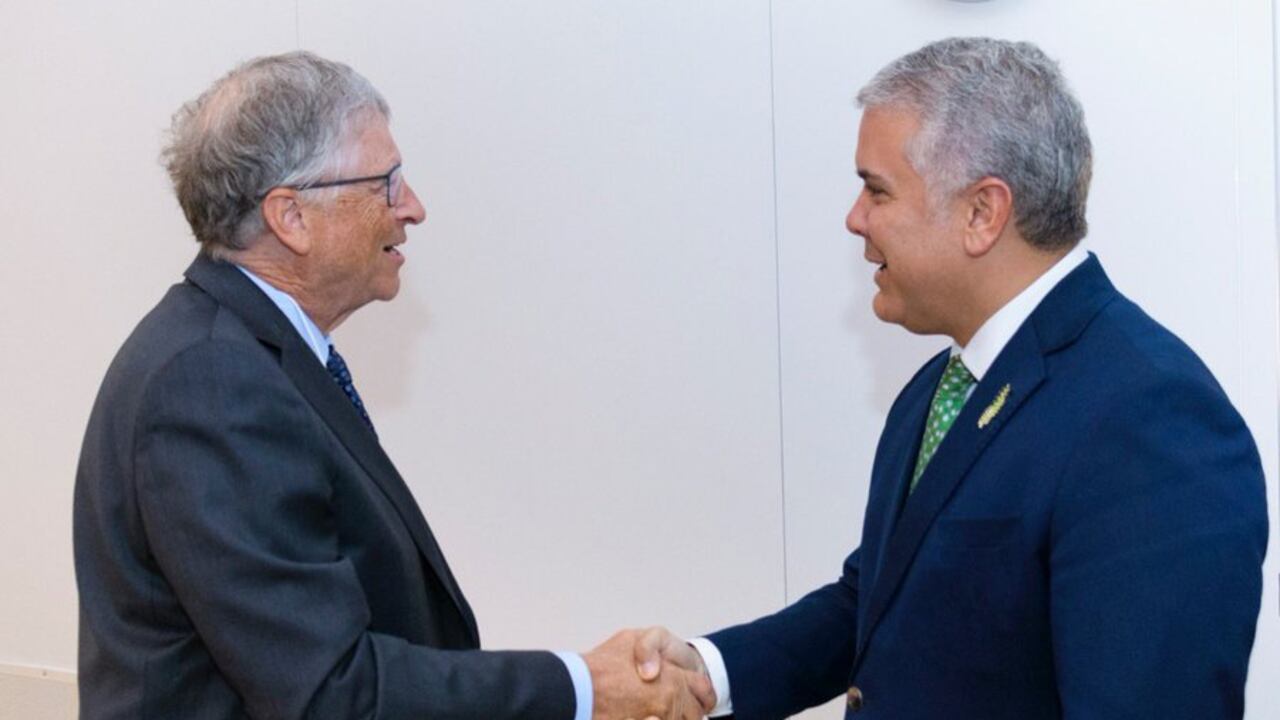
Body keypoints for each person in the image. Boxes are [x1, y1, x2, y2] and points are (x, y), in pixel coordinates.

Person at [635, 37, 1269, 719]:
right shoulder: (943, 384)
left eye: (876, 189)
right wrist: (708, 672)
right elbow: (880, 603)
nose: (855, 219)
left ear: (981, 213)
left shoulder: (1150, 417)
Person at [73, 51, 710, 720]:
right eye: (387, 181)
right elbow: (327, 691)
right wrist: (584, 686)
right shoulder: (211, 383)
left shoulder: (251, 354)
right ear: (291, 217)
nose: (413, 208)